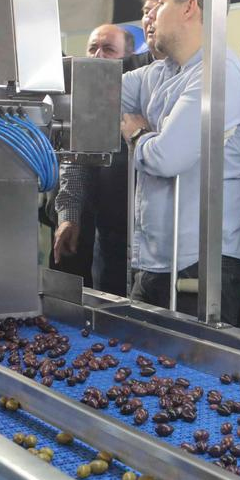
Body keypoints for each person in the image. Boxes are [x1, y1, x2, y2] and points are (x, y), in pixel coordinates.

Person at [121, 0, 240, 324]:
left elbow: (168, 157)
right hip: (158, 262)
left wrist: (137, 135)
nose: (151, 15)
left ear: (190, 8)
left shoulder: (219, 72)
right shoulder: (163, 72)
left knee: (189, 360)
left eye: (161, 4)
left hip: (203, 263)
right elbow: (98, 90)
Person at [52, 25, 135, 297]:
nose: (98, 56)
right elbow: (75, 164)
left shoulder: (142, 97)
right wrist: (69, 216)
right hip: (106, 235)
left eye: (108, 49)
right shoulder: (88, 104)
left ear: (128, 58)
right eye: (92, 48)